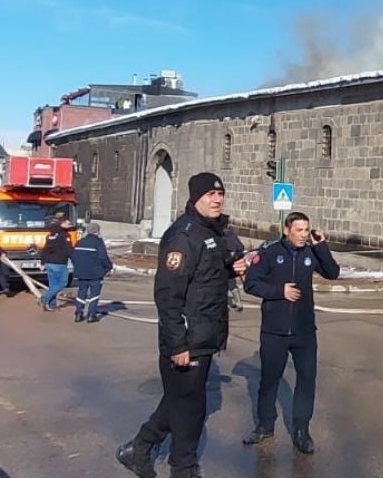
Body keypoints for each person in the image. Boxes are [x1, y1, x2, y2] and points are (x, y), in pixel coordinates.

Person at [117, 173, 247, 478]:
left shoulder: (208, 232)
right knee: (188, 411)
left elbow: (203, 281)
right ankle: (183, 469)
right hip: (187, 340)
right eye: (210, 195)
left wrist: (229, 270)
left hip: (203, 335)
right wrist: (177, 344)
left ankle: (138, 449)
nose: (217, 200)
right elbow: (168, 295)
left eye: (220, 194)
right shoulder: (184, 236)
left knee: (181, 404)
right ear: (195, 199)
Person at [241, 212, 340, 453]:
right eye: (299, 230)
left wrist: (322, 247)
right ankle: (265, 425)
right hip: (274, 331)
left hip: (304, 331)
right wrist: (279, 291)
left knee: (306, 380)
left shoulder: (311, 252)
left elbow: (332, 272)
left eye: (307, 230)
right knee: (269, 380)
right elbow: (251, 283)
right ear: (287, 230)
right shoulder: (270, 253)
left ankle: (301, 429)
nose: (304, 235)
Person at [71, 222, 113, 323]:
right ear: (97, 231)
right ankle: (91, 315)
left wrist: (78, 267)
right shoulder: (98, 243)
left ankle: (78, 313)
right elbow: (103, 257)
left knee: (81, 293)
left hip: (81, 273)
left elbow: (74, 256)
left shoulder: (80, 242)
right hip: (95, 273)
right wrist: (109, 267)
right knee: (94, 295)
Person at [38, 215, 73, 311]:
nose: (70, 225)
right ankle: (44, 299)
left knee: (53, 285)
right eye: (68, 223)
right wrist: (75, 261)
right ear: (62, 224)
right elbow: (68, 250)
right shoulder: (65, 235)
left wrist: (42, 262)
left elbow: (45, 249)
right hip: (59, 263)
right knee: (62, 283)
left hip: (49, 263)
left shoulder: (50, 235)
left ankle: (51, 305)